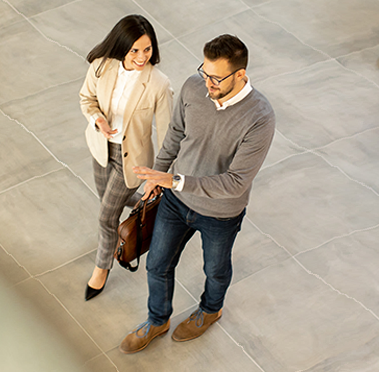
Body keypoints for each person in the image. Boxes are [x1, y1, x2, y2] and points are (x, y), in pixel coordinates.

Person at [118, 35, 276, 354]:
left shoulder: (260, 117)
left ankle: (210, 310)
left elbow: (234, 183)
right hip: (176, 202)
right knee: (157, 264)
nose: (207, 83)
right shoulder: (194, 87)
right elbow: (176, 134)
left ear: (241, 75)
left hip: (221, 213)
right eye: (204, 71)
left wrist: (173, 179)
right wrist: (157, 176)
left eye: (216, 77)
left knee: (215, 270)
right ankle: (158, 319)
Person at [79, 15, 173, 300]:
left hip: (132, 160)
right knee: (109, 203)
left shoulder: (158, 83)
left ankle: (101, 270)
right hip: (102, 149)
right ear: (122, 47)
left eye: (147, 49)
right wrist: (98, 120)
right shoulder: (101, 67)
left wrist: (158, 175)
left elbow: (169, 133)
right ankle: (165, 204)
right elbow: (87, 99)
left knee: (107, 216)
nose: (142, 56)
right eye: (135, 50)